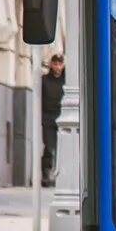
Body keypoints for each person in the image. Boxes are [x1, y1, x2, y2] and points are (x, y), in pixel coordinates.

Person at [41, 53, 64, 187]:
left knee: (62, 147)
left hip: (62, 116)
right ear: (51, 64)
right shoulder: (45, 80)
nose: (57, 67)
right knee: (49, 148)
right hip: (48, 118)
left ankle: (60, 174)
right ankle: (46, 173)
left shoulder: (65, 80)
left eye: (59, 64)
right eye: (55, 64)